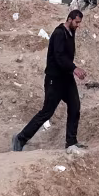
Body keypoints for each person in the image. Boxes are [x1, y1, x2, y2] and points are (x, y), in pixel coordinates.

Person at [11, 9, 88, 152]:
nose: (78, 25)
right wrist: (74, 68)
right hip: (55, 79)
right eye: (77, 22)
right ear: (69, 19)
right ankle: (21, 138)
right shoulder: (59, 33)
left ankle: (71, 142)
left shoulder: (71, 32)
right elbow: (59, 57)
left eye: (79, 23)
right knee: (47, 112)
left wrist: (72, 70)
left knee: (75, 106)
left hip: (67, 78)